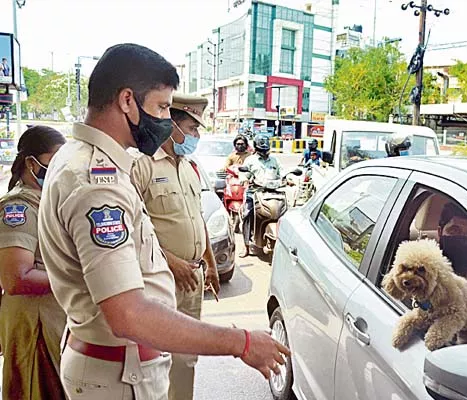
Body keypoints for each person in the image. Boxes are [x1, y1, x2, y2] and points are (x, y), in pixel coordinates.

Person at [38, 43, 289, 399]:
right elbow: (129, 315)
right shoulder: (97, 183)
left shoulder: (84, 160)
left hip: (119, 367)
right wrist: (242, 342)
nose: (165, 121)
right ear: (127, 100)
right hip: (119, 376)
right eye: (160, 107)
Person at [131, 94, 220, 400]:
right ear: (171, 126)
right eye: (192, 130)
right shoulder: (142, 165)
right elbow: (133, 231)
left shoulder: (189, 168)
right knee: (157, 357)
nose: (196, 137)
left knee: (186, 358)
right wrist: (171, 262)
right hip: (161, 279)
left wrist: (210, 264)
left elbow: (198, 219)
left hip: (193, 278)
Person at [0, 125, 67, 400]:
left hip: (52, 319)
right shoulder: (19, 208)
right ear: (31, 163)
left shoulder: (47, 201)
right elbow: (15, 278)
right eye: (56, 160)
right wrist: (76, 280)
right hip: (33, 324)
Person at [239, 135, 285, 258]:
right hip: (254, 193)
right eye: (261, 150)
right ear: (256, 149)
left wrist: (289, 179)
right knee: (247, 214)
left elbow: (283, 172)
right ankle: (246, 245)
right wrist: (244, 179)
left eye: (266, 150)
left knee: (285, 212)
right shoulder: (250, 160)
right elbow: (243, 174)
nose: (264, 153)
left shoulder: (275, 160)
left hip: (274, 192)